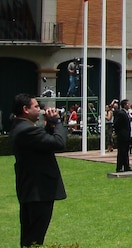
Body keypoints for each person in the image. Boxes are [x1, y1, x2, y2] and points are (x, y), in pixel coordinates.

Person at [10, 94, 67, 248]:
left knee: (30, 236)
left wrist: (49, 126)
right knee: (34, 238)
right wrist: (58, 122)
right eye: (36, 106)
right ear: (25, 109)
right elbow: (59, 143)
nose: (40, 109)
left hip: (31, 190)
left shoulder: (21, 127)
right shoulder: (26, 130)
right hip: (38, 192)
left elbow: (42, 143)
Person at [113, 99, 132, 172]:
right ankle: (119, 167)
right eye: (128, 104)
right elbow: (116, 124)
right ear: (124, 105)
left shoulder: (126, 113)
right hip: (122, 136)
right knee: (121, 152)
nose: (129, 105)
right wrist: (119, 132)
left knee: (126, 151)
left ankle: (126, 166)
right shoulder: (121, 113)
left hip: (126, 135)